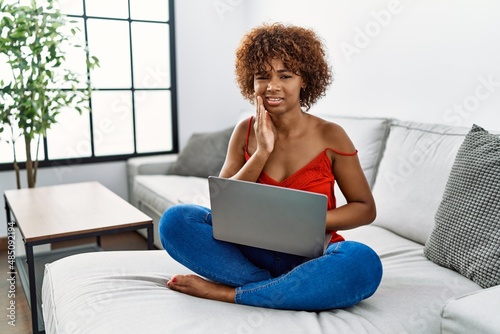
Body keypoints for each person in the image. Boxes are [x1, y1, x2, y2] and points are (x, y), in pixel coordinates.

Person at [159, 22, 383, 311]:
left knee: (363, 263)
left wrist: (303, 222)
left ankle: (231, 293)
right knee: (176, 220)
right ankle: (282, 288)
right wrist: (262, 152)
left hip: (312, 256)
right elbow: (224, 203)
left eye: (285, 75)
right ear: (250, 82)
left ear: (305, 80)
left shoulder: (331, 135)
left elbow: (365, 208)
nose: (272, 86)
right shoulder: (244, 130)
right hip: (250, 254)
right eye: (262, 76)